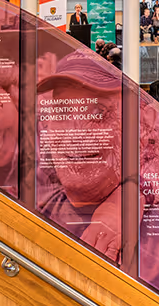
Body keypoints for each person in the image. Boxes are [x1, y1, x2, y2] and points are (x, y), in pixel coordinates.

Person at [38, 50, 125, 261]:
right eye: (62, 112)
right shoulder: (33, 199)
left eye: (97, 113)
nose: (75, 131)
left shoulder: (154, 228)